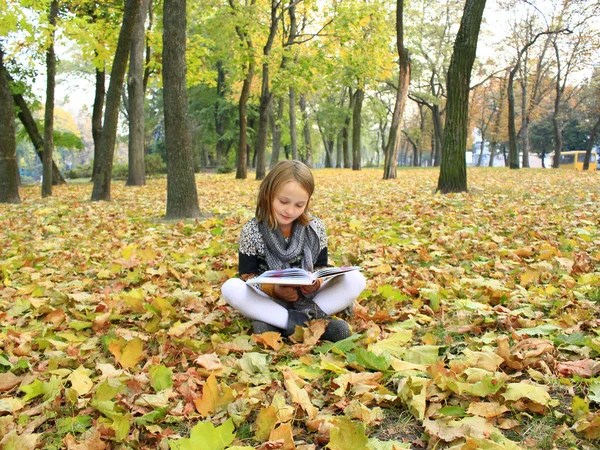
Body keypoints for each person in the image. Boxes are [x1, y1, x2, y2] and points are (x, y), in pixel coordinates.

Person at [221, 160, 366, 342]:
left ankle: (278, 324)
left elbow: (321, 267)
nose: (290, 210)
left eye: (299, 205)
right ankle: (312, 322)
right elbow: (247, 276)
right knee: (230, 288)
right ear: (268, 195)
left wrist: (316, 282)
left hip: (309, 296)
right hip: (270, 298)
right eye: (283, 201)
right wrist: (274, 290)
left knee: (356, 280)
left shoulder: (315, 228)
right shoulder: (252, 230)